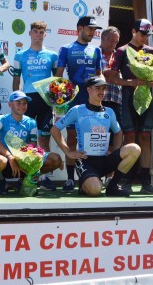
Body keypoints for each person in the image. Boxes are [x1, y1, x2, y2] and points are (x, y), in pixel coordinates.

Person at [51, 76, 141, 197]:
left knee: (135, 149)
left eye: (103, 88)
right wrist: (68, 152)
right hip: (86, 161)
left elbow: (118, 132)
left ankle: (112, 186)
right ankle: (85, 185)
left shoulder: (109, 112)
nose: (101, 91)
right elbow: (55, 129)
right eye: (98, 88)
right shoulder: (77, 110)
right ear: (88, 90)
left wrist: (115, 152)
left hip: (104, 160)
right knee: (95, 190)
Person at [106, 19, 153, 194]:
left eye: (147, 34)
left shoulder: (152, 51)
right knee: (129, 138)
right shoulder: (122, 51)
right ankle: (126, 180)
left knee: (146, 138)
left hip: (146, 97)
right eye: (142, 33)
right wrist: (130, 82)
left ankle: (146, 182)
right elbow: (112, 77)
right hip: (128, 97)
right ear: (133, 31)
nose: (144, 37)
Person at [55, 15, 102, 193]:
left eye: (94, 30)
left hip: (91, 99)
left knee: (91, 138)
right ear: (79, 28)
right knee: (72, 137)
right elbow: (59, 77)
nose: (92, 32)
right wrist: (59, 101)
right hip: (73, 98)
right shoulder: (66, 49)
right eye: (90, 29)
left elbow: (100, 76)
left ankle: (89, 176)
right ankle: (69, 179)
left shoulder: (95, 50)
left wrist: (99, 94)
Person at [0, 91, 63, 193]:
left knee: (55, 159)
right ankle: (0, 181)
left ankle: (26, 179)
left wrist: (25, 159)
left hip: (22, 161)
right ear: (10, 104)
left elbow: (32, 146)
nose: (22, 106)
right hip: (6, 160)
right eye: (18, 103)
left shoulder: (31, 122)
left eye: (24, 103)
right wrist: (9, 156)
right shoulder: (1, 119)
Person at [11, 21, 58, 152]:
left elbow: (56, 81)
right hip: (27, 99)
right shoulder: (20, 55)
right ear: (30, 33)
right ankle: (25, 170)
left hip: (46, 100)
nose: (38, 35)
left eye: (41, 32)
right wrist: (16, 100)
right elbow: (16, 79)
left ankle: (45, 171)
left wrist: (55, 103)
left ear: (45, 35)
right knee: (26, 138)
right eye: (35, 32)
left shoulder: (53, 56)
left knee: (44, 139)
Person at [99, 27, 122, 123]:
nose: (113, 44)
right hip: (98, 100)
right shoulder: (93, 53)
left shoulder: (120, 56)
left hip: (116, 101)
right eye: (111, 41)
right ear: (103, 38)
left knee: (116, 133)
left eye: (116, 42)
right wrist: (108, 73)